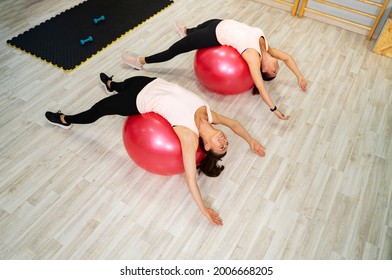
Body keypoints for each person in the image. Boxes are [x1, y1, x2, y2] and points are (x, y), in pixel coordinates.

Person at [45, 73, 266, 226]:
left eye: (221, 146)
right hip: (151, 82)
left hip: (138, 99)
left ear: (206, 146)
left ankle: (66, 119)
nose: (224, 141)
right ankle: (112, 85)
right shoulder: (210, 115)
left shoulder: (189, 136)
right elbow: (235, 124)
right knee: (123, 84)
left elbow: (190, 178)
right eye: (226, 142)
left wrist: (204, 209)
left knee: (97, 111)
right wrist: (251, 140)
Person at [122, 19, 308, 120]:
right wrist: (299, 76)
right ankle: (187, 31)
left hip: (215, 35)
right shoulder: (268, 48)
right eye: (278, 69)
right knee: (205, 23)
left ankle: (140, 61)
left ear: (263, 68)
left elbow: (261, 86)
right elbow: (288, 58)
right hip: (219, 22)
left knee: (174, 50)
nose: (277, 67)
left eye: (273, 72)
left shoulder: (253, 57)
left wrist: (275, 109)